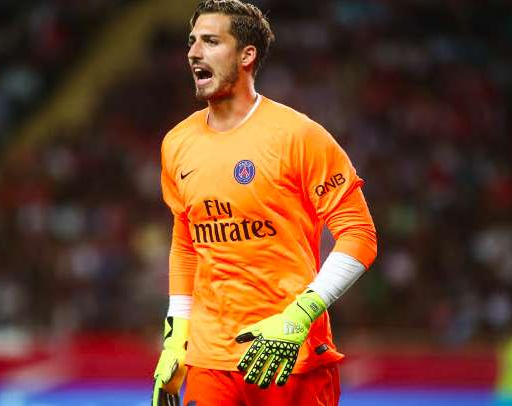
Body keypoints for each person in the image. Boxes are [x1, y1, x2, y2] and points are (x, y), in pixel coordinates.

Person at [152, 1, 377, 405]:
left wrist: (299, 316)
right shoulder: (176, 144)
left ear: (246, 55)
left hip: (291, 358)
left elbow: (359, 235)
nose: (193, 52)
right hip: (211, 363)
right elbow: (186, 241)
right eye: (191, 42)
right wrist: (176, 338)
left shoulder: (298, 136)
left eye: (210, 41)